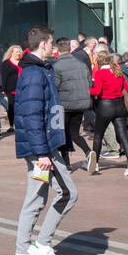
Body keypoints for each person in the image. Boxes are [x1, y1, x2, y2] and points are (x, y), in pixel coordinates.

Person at [11, 25, 79, 255]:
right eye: (51, 44)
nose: (54, 48)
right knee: (68, 194)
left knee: (36, 198)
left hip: (43, 145)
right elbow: (31, 115)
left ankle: (21, 253)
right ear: (43, 44)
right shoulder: (35, 73)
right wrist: (43, 153)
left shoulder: (38, 71)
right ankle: (42, 244)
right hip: (43, 147)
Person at [89, 49, 128, 176]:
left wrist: (90, 90)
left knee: (98, 135)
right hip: (120, 106)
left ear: (99, 61)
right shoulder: (118, 72)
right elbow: (126, 88)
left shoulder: (100, 73)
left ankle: (96, 165)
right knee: (123, 135)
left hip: (105, 106)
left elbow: (97, 91)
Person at [51, 37, 93, 170]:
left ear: (57, 49)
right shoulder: (82, 64)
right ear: (70, 48)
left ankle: (66, 163)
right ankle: (87, 151)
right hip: (81, 104)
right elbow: (89, 83)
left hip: (64, 104)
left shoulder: (56, 66)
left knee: (62, 133)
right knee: (74, 132)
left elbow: (54, 87)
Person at [0, 45, 22, 134]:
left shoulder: (23, 62)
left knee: (21, 107)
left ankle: (20, 125)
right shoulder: (6, 63)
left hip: (23, 89)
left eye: (19, 51)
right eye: (16, 51)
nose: (18, 53)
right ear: (11, 53)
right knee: (11, 107)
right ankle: (11, 125)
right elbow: (4, 77)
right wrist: (3, 88)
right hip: (11, 89)